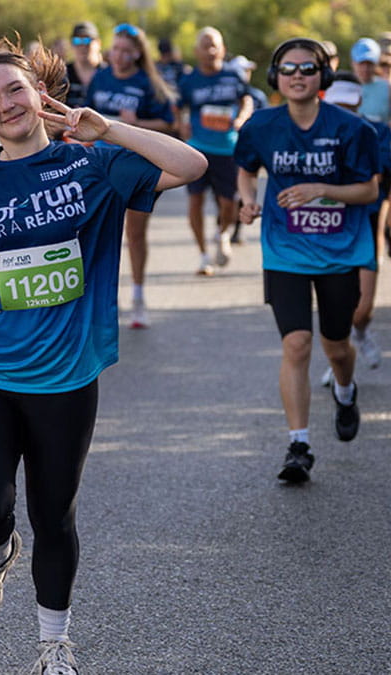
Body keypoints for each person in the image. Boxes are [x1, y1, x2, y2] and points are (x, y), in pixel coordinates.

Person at [0, 37, 205, 675]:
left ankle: (52, 643)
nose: (7, 104)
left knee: (54, 512)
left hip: (66, 378)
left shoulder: (91, 163)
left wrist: (112, 130)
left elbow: (192, 165)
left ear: (41, 94)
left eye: (16, 89)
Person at [234, 38, 380, 483]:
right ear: (275, 77)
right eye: (289, 68)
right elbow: (246, 169)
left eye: (308, 68)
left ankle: (345, 388)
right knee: (296, 343)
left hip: (340, 252)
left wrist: (322, 189)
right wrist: (247, 202)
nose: (298, 75)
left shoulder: (353, 129)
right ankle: (299, 444)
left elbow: (370, 191)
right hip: (285, 250)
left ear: (323, 77)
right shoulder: (260, 126)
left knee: (336, 345)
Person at [86, 23, 175, 328]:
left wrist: (137, 124)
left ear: (138, 54)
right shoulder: (100, 78)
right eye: (116, 49)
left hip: (135, 165)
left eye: (126, 51)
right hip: (99, 164)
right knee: (95, 232)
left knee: (135, 234)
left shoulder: (147, 82)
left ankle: (138, 295)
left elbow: (168, 126)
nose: (119, 56)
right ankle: (97, 300)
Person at [317, 72, 390, 382]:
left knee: (362, 311)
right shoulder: (308, 133)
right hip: (323, 230)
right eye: (336, 105)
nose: (341, 112)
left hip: (365, 226)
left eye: (348, 105)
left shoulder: (377, 134)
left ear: (359, 101)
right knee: (336, 309)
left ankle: (358, 335)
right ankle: (339, 359)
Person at [178, 27, 252, 276]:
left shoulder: (233, 75)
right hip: (198, 148)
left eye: (215, 45)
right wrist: (182, 125)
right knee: (195, 200)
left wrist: (242, 117)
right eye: (205, 45)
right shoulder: (189, 80)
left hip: (227, 149)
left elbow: (247, 99)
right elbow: (177, 105)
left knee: (228, 202)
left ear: (222, 49)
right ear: (196, 51)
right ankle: (202, 256)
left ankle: (222, 234)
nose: (210, 51)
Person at [64, 22, 104, 109]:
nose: (82, 46)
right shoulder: (62, 74)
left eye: (87, 40)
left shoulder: (109, 74)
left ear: (99, 43)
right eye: (77, 41)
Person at [352, 38, 390, 124]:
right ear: (353, 63)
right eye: (361, 63)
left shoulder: (387, 88)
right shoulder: (345, 87)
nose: (365, 69)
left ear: (376, 64)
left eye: (369, 64)